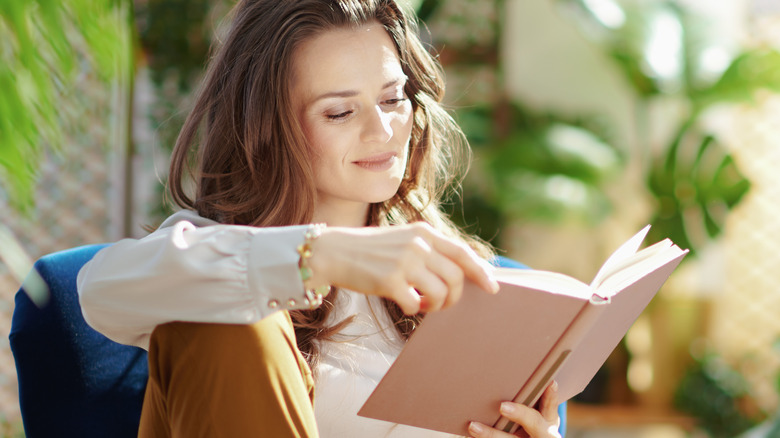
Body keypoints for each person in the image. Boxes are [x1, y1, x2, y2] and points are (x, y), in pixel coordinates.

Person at [77, 0, 563, 437]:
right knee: (228, 311)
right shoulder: (213, 253)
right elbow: (98, 288)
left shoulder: (460, 284)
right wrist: (321, 254)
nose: (382, 129)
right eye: (339, 113)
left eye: (393, 99)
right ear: (269, 129)